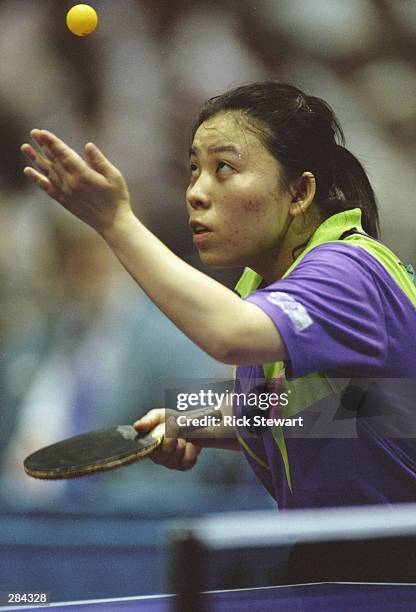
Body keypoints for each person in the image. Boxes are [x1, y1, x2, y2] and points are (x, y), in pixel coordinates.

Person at [21, 81, 416, 513]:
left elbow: (229, 336)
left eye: (224, 168)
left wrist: (116, 223)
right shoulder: (263, 287)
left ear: (299, 193)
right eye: (194, 168)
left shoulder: (347, 270)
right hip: (333, 555)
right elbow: (327, 407)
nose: (196, 192)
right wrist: (192, 424)